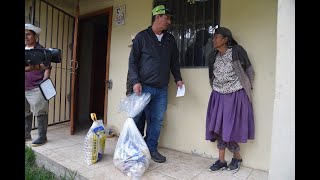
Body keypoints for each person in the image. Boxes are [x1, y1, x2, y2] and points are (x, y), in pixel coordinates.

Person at [128, 5, 184, 163]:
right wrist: (135, 81)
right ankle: (135, 148)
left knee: (157, 120)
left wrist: (178, 78)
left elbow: (174, 62)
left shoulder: (170, 39)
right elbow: (132, 62)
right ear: (158, 17)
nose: (169, 22)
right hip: (143, 87)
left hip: (161, 89)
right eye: (167, 18)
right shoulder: (142, 37)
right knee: (138, 119)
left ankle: (151, 148)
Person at [205, 27, 255, 172]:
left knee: (229, 128)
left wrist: (246, 88)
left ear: (226, 39)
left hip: (235, 95)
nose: (213, 40)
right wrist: (216, 89)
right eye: (213, 38)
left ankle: (237, 157)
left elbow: (250, 71)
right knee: (219, 127)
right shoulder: (212, 56)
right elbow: (211, 76)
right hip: (218, 95)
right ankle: (222, 160)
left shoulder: (237, 51)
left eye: (216, 37)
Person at [25, 23, 51, 146]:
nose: (26, 37)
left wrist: (44, 81)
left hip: (36, 86)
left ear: (34, 36)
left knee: (40, 112)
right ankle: (26, 135)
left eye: (28, 34)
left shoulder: (41, 50)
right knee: (25, 112)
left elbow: (47, 68)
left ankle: (42, 137)